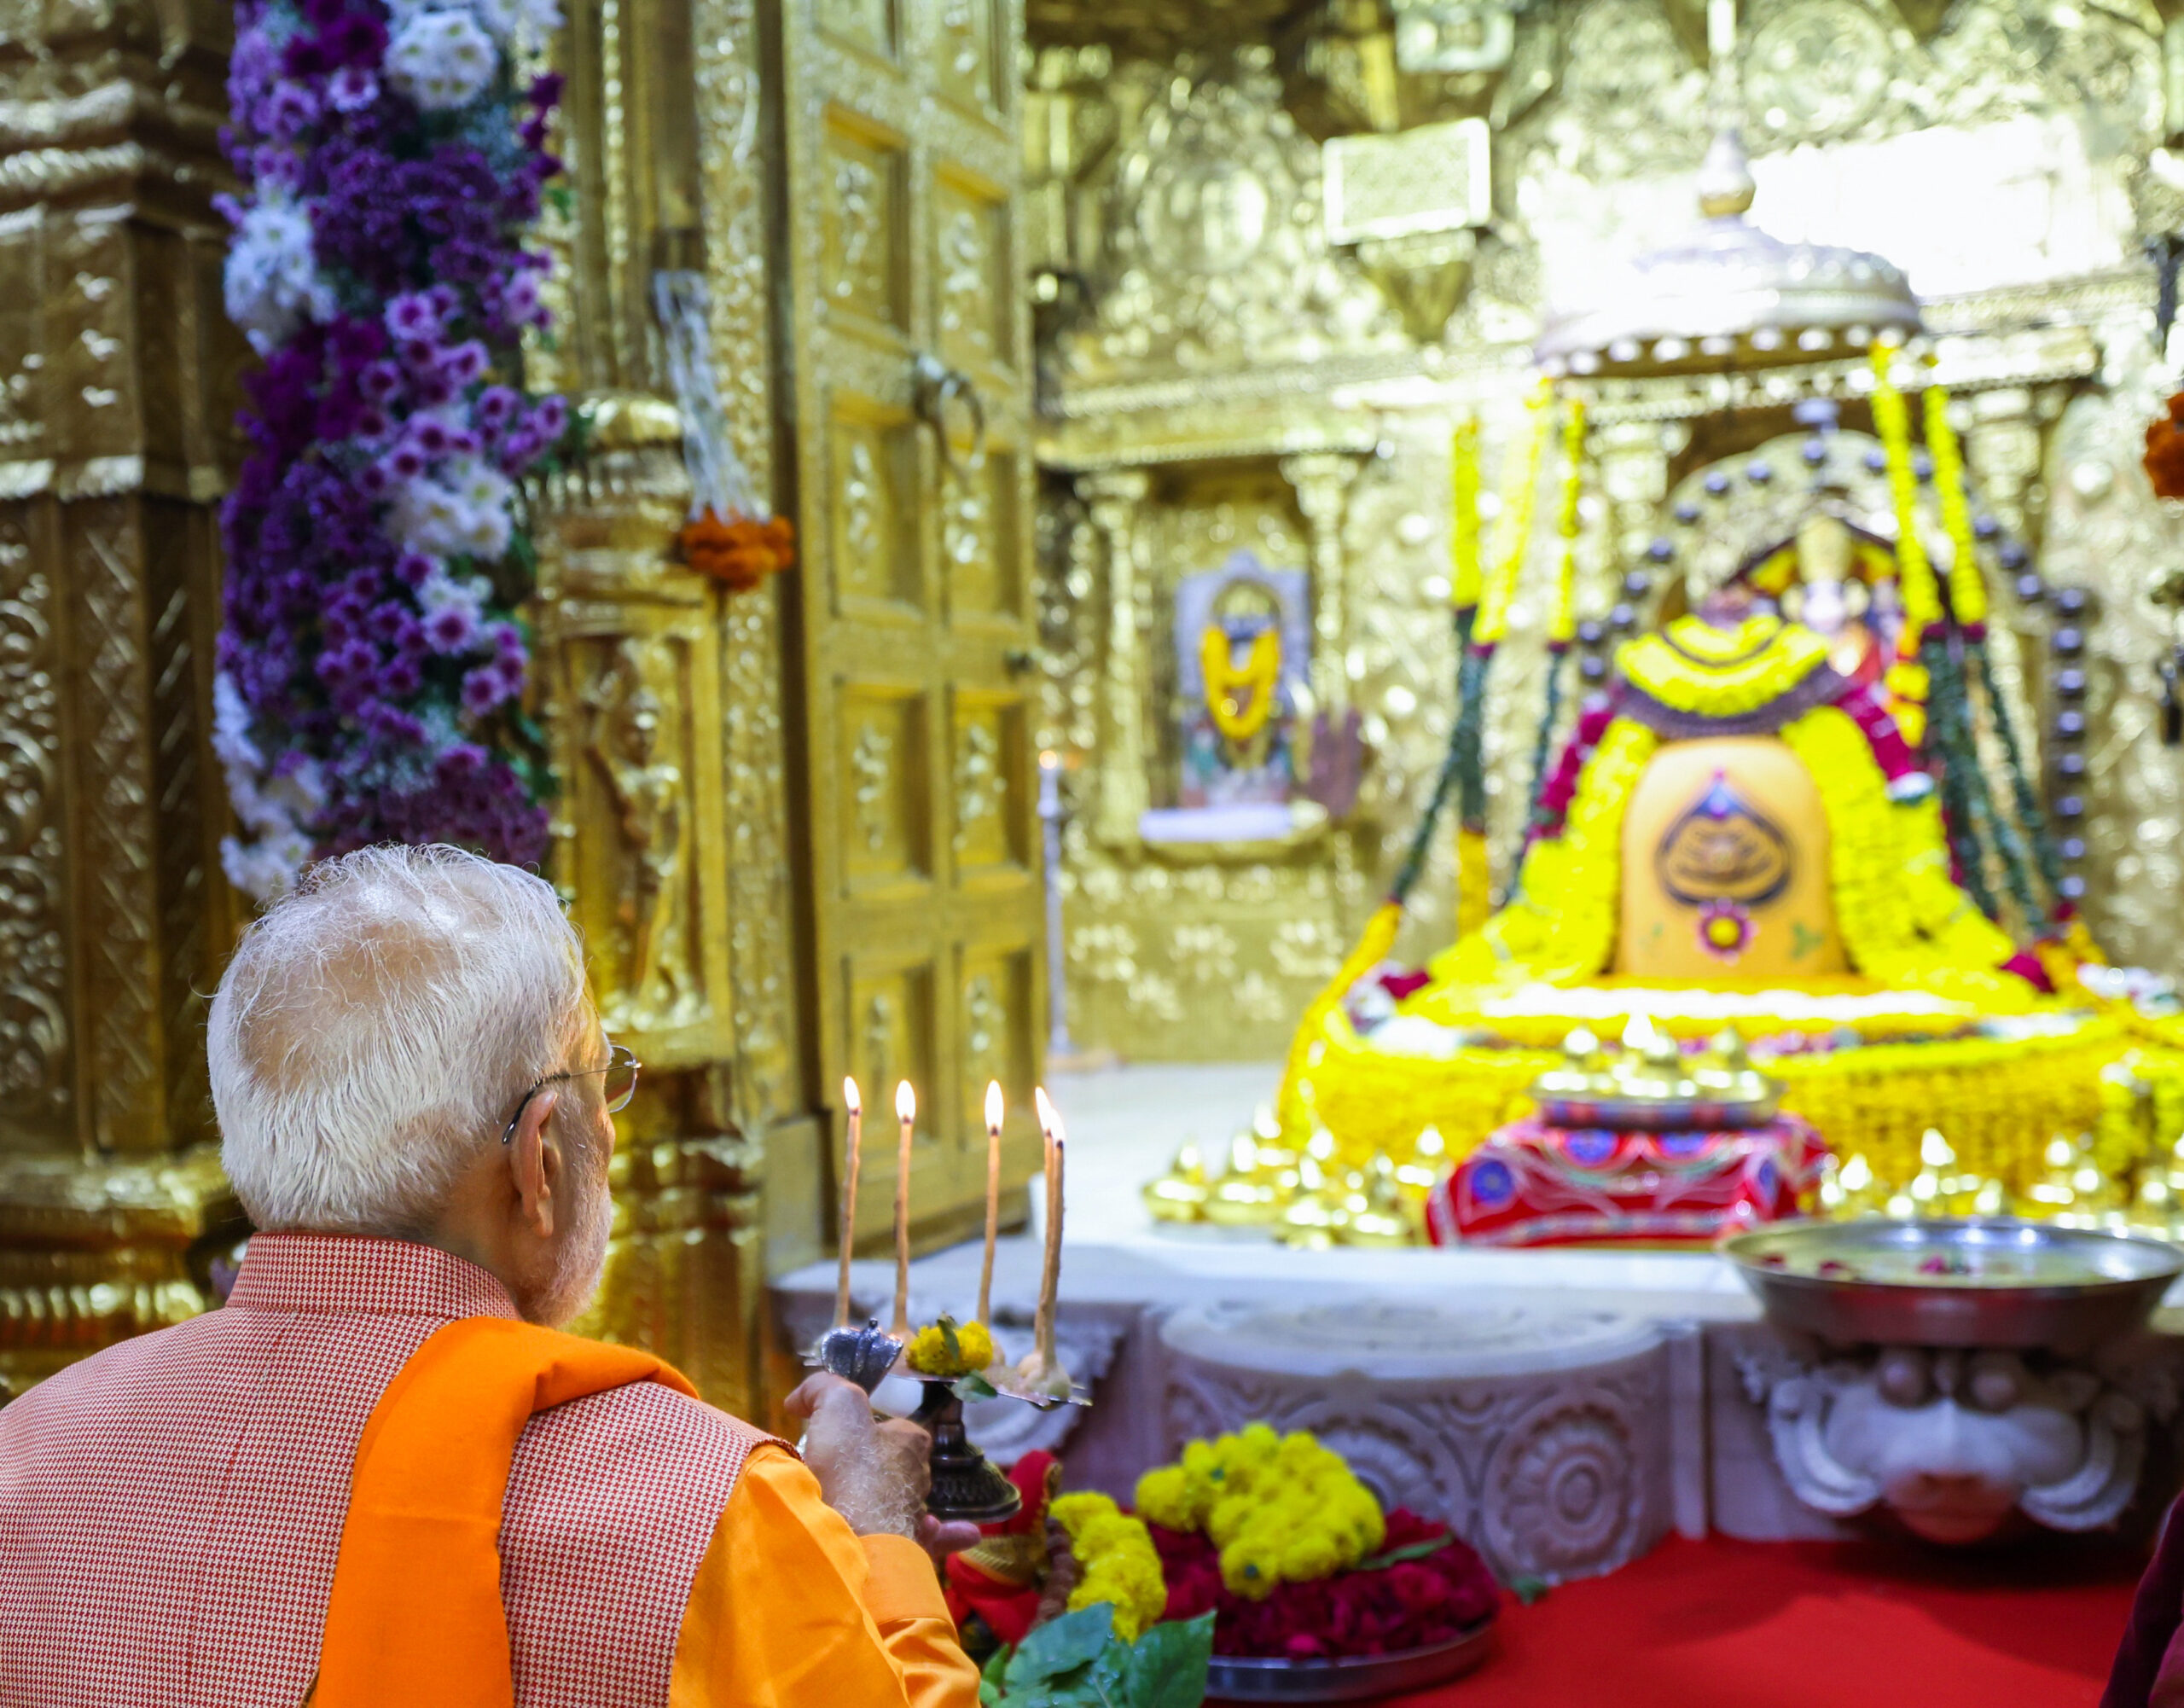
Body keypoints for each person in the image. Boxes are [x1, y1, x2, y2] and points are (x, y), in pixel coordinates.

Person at [0, 844, 982, 1706]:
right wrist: (876, 1538)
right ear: (540, 1158)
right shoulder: (704, 1507)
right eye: (606, 1078)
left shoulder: (24, 1454)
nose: (609, 1119)